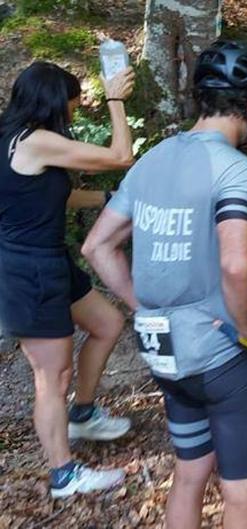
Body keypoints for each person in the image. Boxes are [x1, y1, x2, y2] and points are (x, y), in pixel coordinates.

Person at [83, 40, 247, 529]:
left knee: (191, 471)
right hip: (222, 360)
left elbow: (96, 246)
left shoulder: (152, 160)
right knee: (246, 495)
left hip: (165, 355)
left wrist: (143, 306)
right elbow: (238, 265)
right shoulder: (236, 168)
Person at [0, 61, 135, 497]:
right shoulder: (37, 141)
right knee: (52, 376)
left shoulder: (15, 139)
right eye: (74, 104)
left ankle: (83, 415)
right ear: (56, 102)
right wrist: (115, 98)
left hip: (48, 260)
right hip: (28, 272)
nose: (76, 113)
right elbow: (120, 155)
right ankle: (64, 475)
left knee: (107, 324)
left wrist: (104, 199)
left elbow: (42, 191)